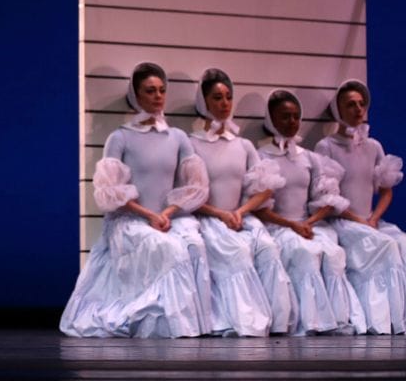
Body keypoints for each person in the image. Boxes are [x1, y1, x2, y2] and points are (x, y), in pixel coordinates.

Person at [59, 62, 213, 337]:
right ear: (136, 95)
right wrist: (150, 215)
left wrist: (167, 212)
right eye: (150, 91)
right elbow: (111, 193)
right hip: (130, 219)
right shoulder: (120, 137)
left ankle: (195, 323)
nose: (157, 96)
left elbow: (195, 185)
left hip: (168, 216)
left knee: (195, 246)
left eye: (162, 90)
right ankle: (160, 324)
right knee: (168, 250)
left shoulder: (177, 136)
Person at [314, 79, 406, 333]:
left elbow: (386, 191)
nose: (358, 109)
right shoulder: (326, 147)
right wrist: (360, 221)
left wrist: (373, 218)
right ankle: (385, 318)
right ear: (338, 109)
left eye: (362, 104)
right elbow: (330, 198)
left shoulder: (374, 146)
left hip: (370, 220)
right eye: (350, 105)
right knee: (388, 246)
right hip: (343, 223)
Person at [189, 68, 295, 336]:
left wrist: (241, 211)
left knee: (269, 248)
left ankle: (278, 322)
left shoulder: (244, 145)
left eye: (228, 97)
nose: (224, 103)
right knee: (236, 253)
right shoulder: (191, 144)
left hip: (241, 216)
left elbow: (266, 189)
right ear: (204, 102)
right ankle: (243, 322)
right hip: (208, 218)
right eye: (217, 98)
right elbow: (188, 195)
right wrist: (221, 215)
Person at [254, 89, 363, 335]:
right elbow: (260, 209)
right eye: (284, 116)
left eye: (295, 116)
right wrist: (293, 226)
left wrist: (310, 223)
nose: (291, 122)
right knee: (304, 254)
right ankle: (311, 322)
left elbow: (326, 198)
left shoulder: (310, 158)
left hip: (308, 224)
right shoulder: (262, 157)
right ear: (272, 119)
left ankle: (338, 318)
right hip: (279, 227)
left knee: (333, 254)